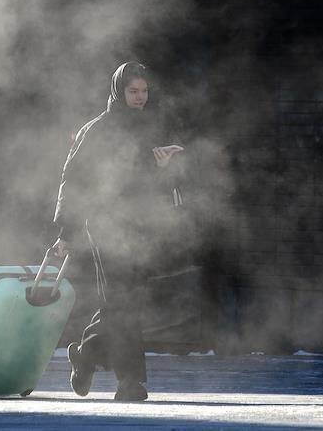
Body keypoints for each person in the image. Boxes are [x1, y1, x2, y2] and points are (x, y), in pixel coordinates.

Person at [51, 61, 184, 401]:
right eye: (132, 91)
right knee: (123, 303)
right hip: (105, 226)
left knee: (123, 303)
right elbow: (73, 180)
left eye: (144, 91)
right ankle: (131, 383)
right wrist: (66, 232)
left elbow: (148, 184)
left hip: (140, 226)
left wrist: (163, 169)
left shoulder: (150, 127)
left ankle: (86, 354)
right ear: (118, 91)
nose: (139, 97)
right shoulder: (97, 130)